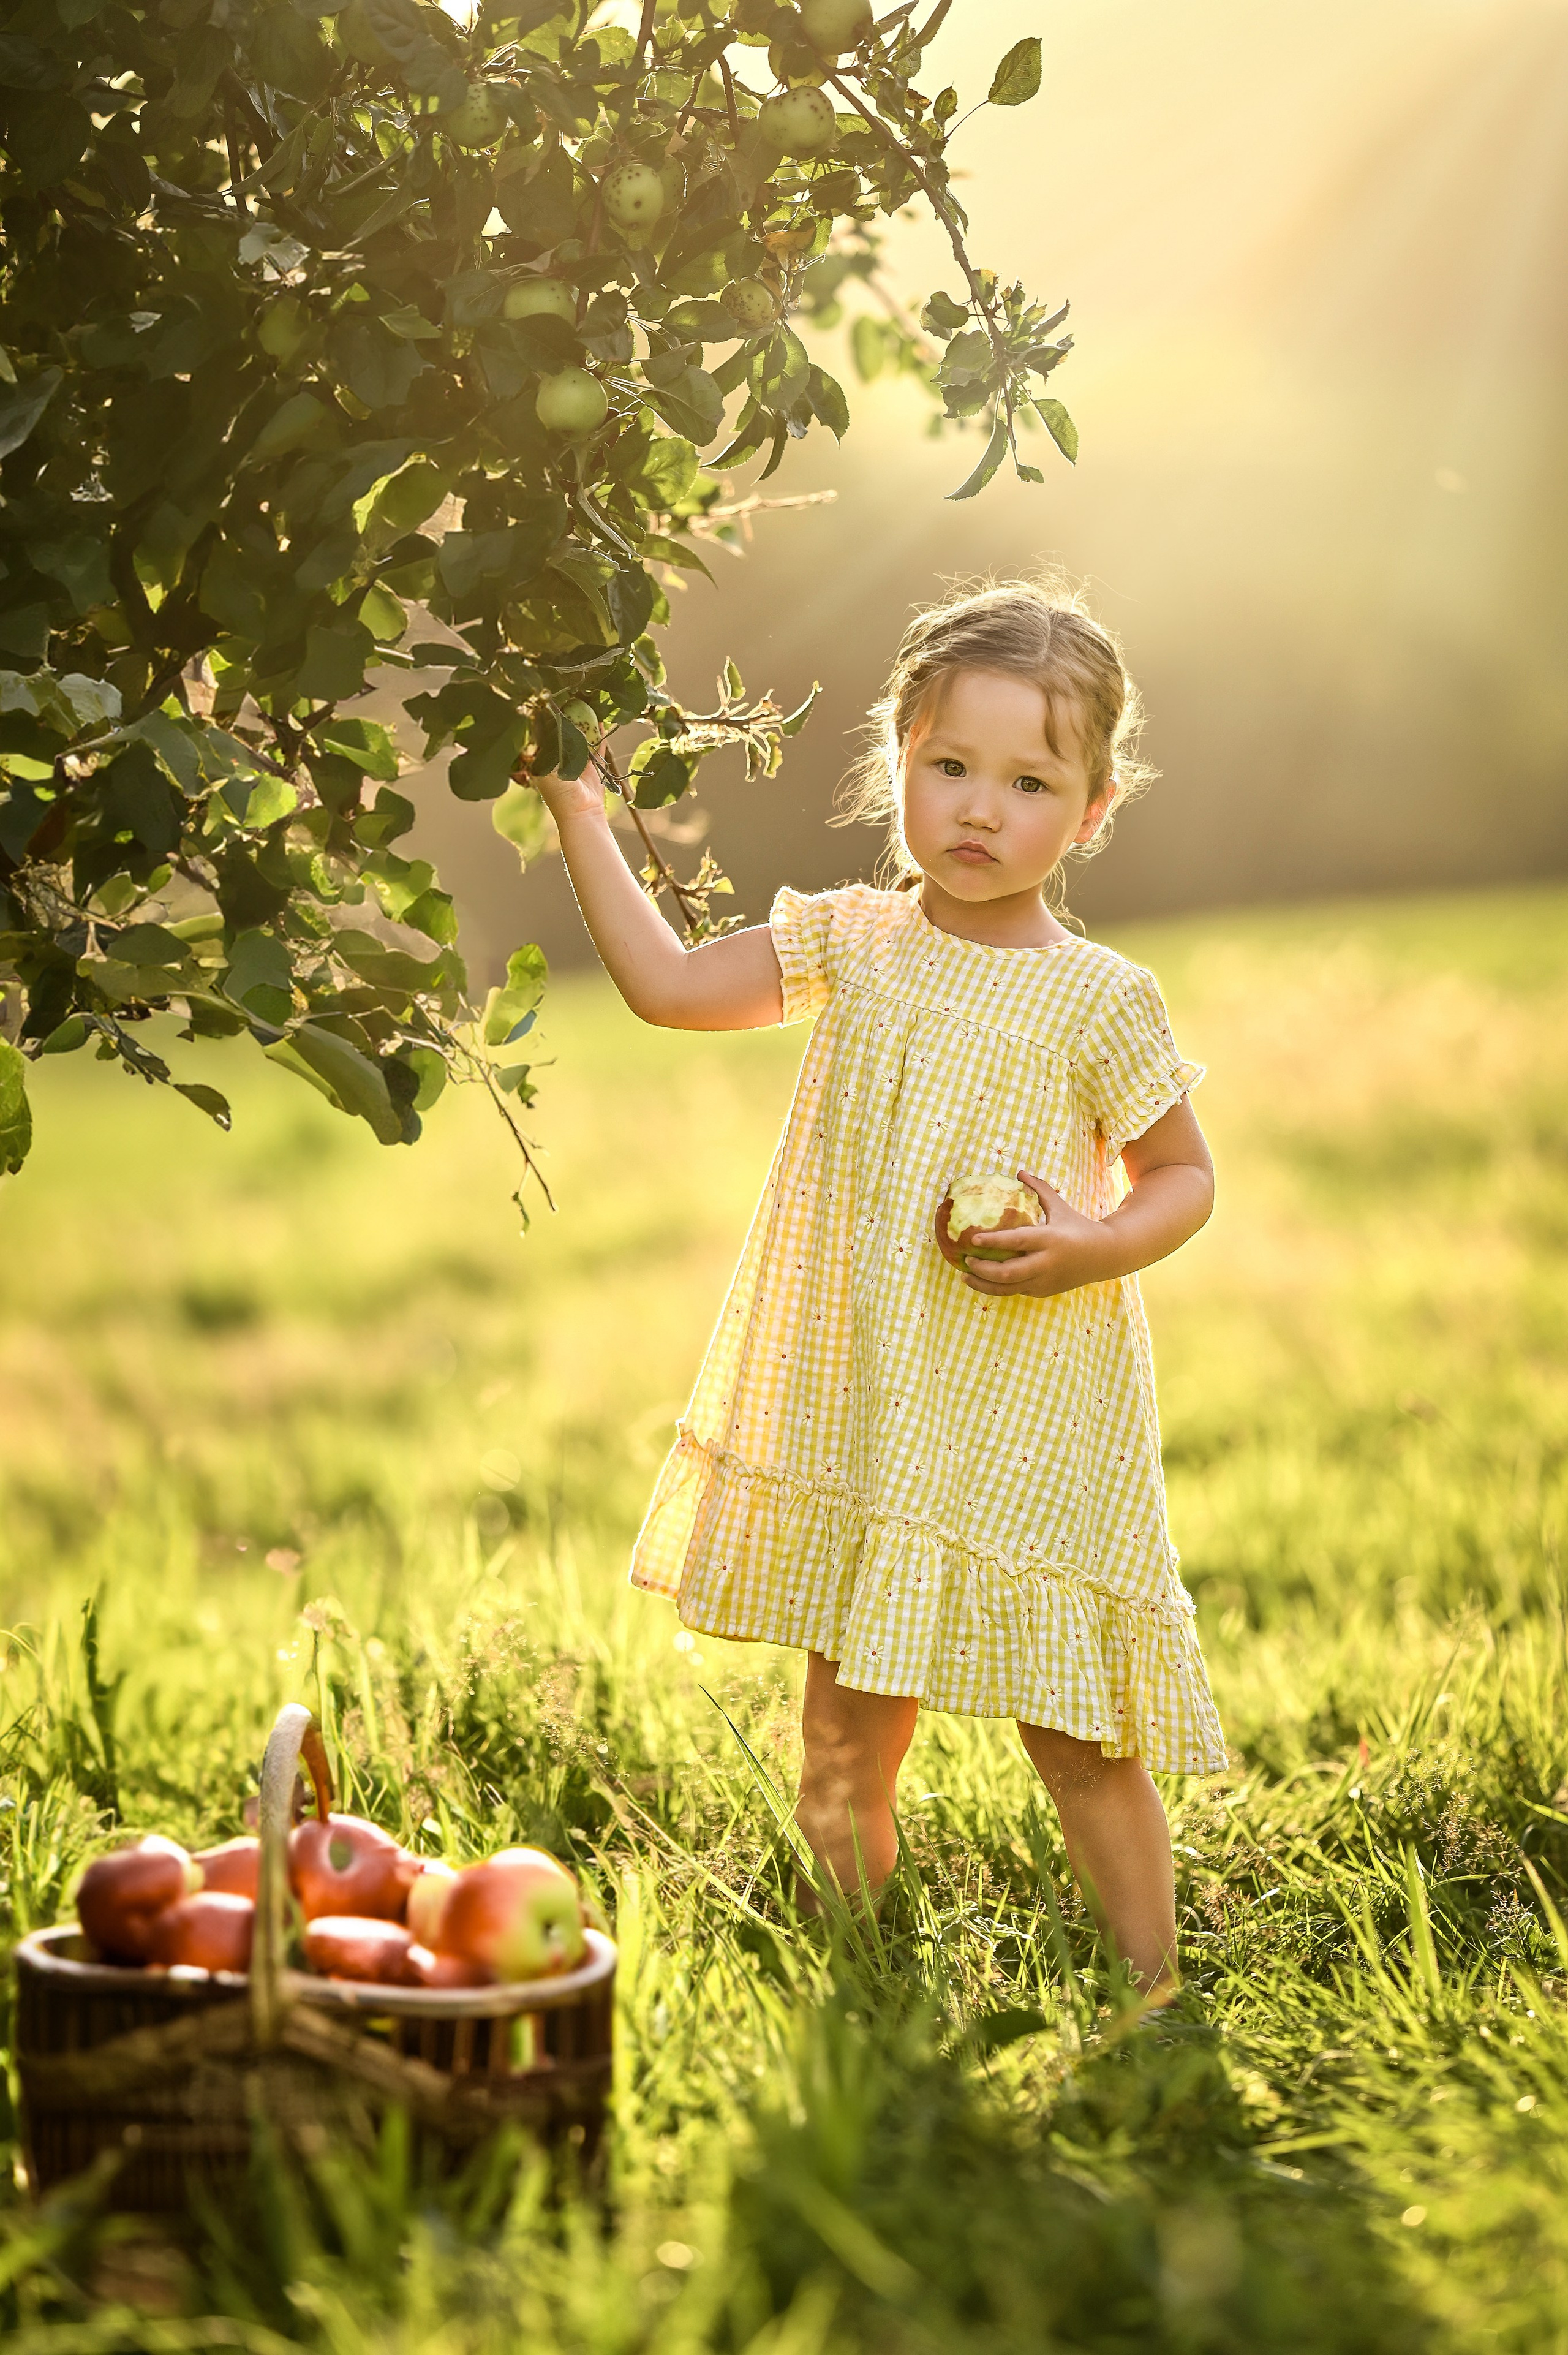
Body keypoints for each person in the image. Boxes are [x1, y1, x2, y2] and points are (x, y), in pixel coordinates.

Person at [532, 579, 1224, 2000]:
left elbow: (1179, 1178)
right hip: (879, 1407)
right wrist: (575, 812)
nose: (979, 808)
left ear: (1089, 812)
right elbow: (666, 985)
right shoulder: (851, 940)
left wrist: (1092, 1240)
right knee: (845, 1741)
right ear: (894, 760)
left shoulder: (1097, 999)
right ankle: (857, 1980)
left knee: (1083, 1734)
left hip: (1033, 1411)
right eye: (947, 766)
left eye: (1028, 782)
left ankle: (1154, 1994)